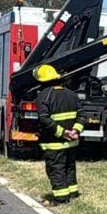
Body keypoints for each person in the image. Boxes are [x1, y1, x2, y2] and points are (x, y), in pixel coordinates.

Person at [34, 64, 84, 203]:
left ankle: (61, 198)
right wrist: (76, 130)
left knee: (56, 169)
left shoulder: (44, 96)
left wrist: (62, 133)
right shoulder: (72, 94)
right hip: (72, 141)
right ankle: (73, 194)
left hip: (54, 143)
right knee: (69, 167)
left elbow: (44, 119)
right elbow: (82, 115)